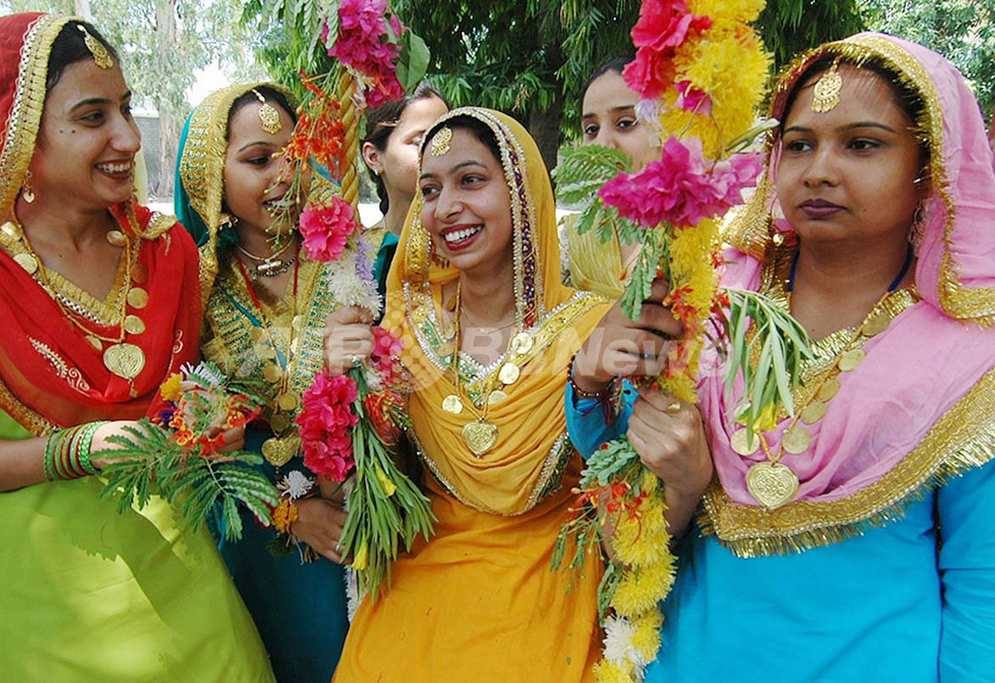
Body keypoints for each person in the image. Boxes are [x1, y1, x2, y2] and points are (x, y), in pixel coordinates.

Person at [568, 33, 995, 681]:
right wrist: (590, 378)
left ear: (927, 166)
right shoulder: (707, 293)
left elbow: (981, 589)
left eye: (862, 143)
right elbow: (620, 472)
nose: (819, 168)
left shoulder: (969, 363)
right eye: (799, 144)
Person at [0, 14, 274, 680]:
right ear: (13, 131)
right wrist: (74, 448)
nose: (129, 138)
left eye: (127, 109)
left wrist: (206, 418)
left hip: (184, 588)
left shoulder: (168, 252)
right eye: (92, 115)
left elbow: (185, 393)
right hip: (38, 610)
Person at [328, 108, 612, 680]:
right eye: (430, 189)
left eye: (471, 180)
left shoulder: (593, 333)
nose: (445, 206)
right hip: (423, 586)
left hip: (551, 581)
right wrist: (351, 395)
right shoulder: (403, 334)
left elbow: (628, 497)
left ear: (522, 192)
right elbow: (371, 496)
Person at [175, 83, 350, 682]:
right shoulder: (195, 290)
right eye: (257, 159)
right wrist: (291, 513)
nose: (282, 174)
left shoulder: (350, 257)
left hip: (365, 508)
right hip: (260, 528)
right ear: (211, 179)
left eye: (293, 154)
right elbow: (190, 438)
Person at [564, 56, 663, 298]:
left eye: (625, 123)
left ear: (666, 128)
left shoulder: (706, 234)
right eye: (591, 129)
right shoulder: (571, 242)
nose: (603, 144)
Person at [360, 81, 448, 289]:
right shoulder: (357, 258)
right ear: (373, 157)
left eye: (446, 139)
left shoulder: (467, 246)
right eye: (420, 142)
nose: (440, 152)